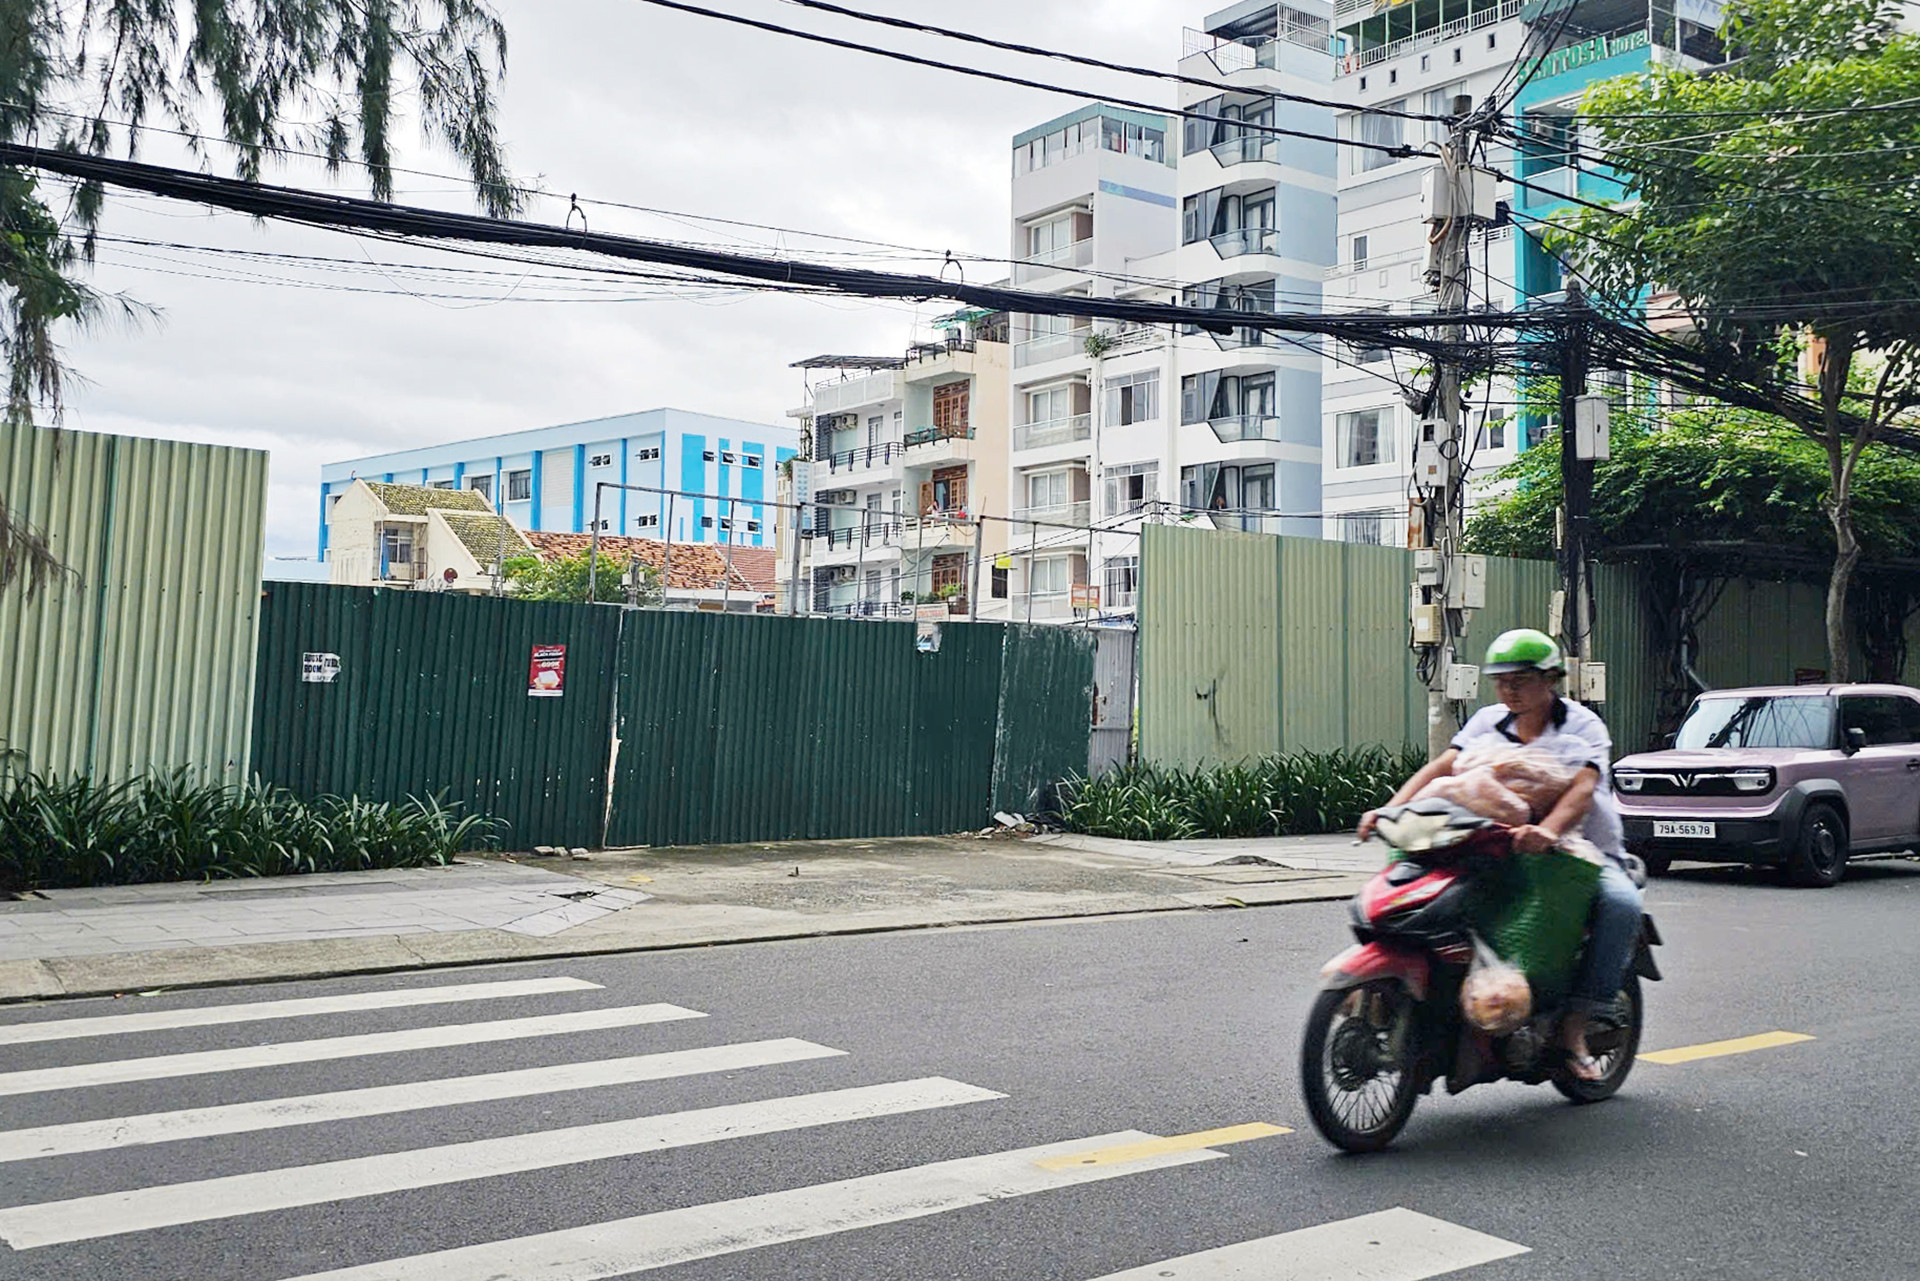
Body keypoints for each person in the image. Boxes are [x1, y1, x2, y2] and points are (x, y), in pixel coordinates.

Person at [1357, 628, 1643, 1082]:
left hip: (1580, 850)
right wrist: (1389, 810)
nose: (1509, 690)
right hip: (1490, 842)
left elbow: (1583, 789)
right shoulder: (1488, 721)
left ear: (1550, 679)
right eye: (1501, 681)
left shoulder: (1583, 725)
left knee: (1622, 904)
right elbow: (1441, 768)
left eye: (1521, 680)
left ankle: (1575, 1026)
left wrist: (1547, 831)